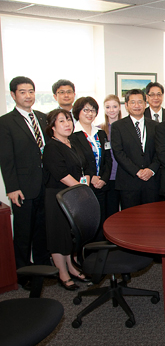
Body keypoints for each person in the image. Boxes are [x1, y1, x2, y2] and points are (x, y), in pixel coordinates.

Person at [0, 76, 50, 279]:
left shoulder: (42, 117)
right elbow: (6, 158)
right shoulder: (5, 122)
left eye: (31, 91)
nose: (28, 95)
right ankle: (23, 274)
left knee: (42, 230)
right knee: (23, 233)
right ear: (13, 95)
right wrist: (12, 188)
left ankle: (43, 268)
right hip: (22, 187)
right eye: (23, 92)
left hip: (45, 184)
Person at [43, 108, 94, 290]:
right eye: (62, 121)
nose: (67, 124)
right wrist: (82, 190)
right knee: (59, 236)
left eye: (69, 120)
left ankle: (71, 267)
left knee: (70, 236)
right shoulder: (51, 147)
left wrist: (85, 183)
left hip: (75, 195)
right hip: (57, 197)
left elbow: (86, 166)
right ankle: (62, 274)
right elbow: (61, 174)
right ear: (53, 127)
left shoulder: (73, 143)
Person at [111, 89, 160, 210]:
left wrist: (151, 169)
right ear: (126, 105)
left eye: (140, 102)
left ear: (145, 104)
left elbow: (160, 151)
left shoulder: (156, 126)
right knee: (130, 220)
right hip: (129, 181)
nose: (137, 106)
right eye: (133, 102)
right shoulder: (118, 126)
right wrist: (137, 171)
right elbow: (118, 152)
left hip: (151, 181)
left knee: (152, 218)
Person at [71, 97, 112, 239]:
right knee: (87, 222)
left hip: (101, 184)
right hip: (85, 186)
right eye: (86, 110)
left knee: (103, 221)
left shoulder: (100, 133)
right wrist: (91, 176)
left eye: (93, 110)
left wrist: (104, 178)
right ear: (78, 112)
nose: (90, 113)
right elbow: (77, 161)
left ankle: (101, 254)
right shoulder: (72, 134)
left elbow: (108, 158)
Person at [99, 95, 122, 219]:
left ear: (119, 108)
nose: (111, 110)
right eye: (108, 107)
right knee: (111, 212)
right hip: (109, 177)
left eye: (114, 106)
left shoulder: (126, 128)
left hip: (124, 175)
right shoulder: (99, 129)